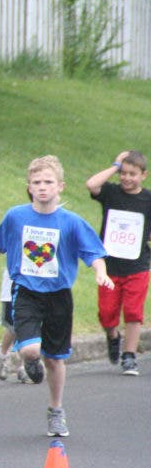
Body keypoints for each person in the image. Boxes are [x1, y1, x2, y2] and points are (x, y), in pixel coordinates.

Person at [0, 156, 113, 437]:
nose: (42, 187)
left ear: (60, 187)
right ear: (29, 187)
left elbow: (94, 253)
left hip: (58, 296)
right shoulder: (16, 216)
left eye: (48, 182)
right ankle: (31, 361)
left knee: (55, 359)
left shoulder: (71, 222)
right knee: (30, 349)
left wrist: (100, 273)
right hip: (26, 292)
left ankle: (56, 410)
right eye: (36, 183)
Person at [85, 150, 151, 376]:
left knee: (133, 312)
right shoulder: (111, 192)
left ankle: (129, 356)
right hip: (110, 266)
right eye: (123, 173)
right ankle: (113, 337)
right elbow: (91, 184)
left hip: (138, 266)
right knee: (106, 313)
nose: (126, 178)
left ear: (144, 175)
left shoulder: (148, 199)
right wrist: (115, 164)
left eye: (132, 174)